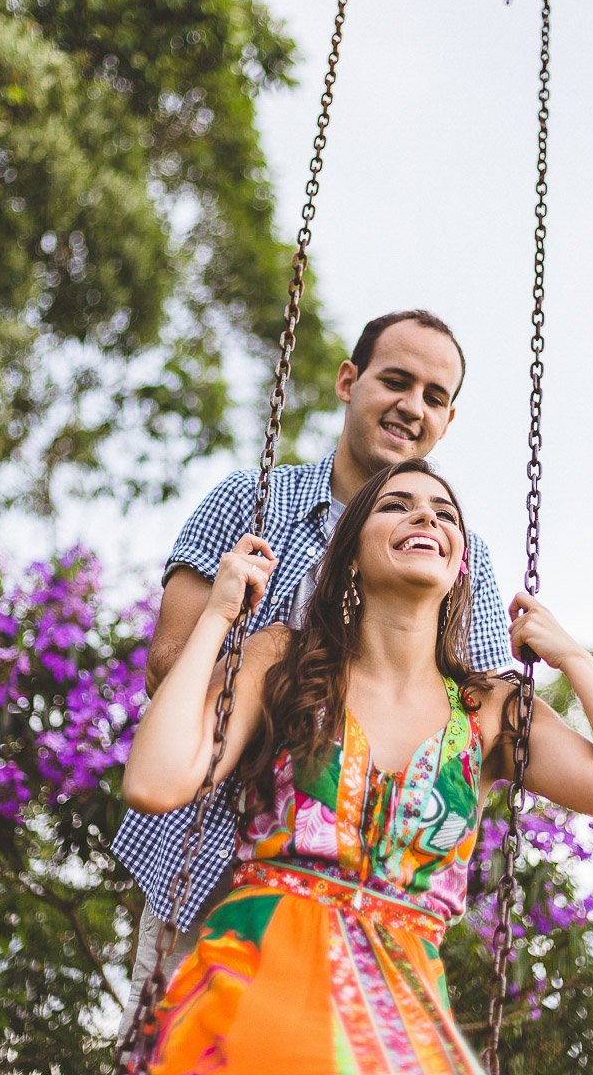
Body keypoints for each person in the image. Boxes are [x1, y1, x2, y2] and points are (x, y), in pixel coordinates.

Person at [122, 458, 593, 1074]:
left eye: (444, 513)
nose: (425, 516)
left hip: (405, 1029)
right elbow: (154, 781)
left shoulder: (487, 708)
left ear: (459, 561)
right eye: (396, 505)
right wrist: (218, 619)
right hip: (254, 1001)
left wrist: (573, 655)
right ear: (350, 555)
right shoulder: (282, 660)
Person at [113, 309, 515, 1039]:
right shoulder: (251, 500)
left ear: (448, 421)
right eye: (396, 381)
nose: (411, 407)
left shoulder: (462, 557)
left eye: (433, 395)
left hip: (363, 897)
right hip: (206, 874)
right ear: (348, 381)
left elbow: (477, 708)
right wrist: (291, 657)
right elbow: (169, 662)